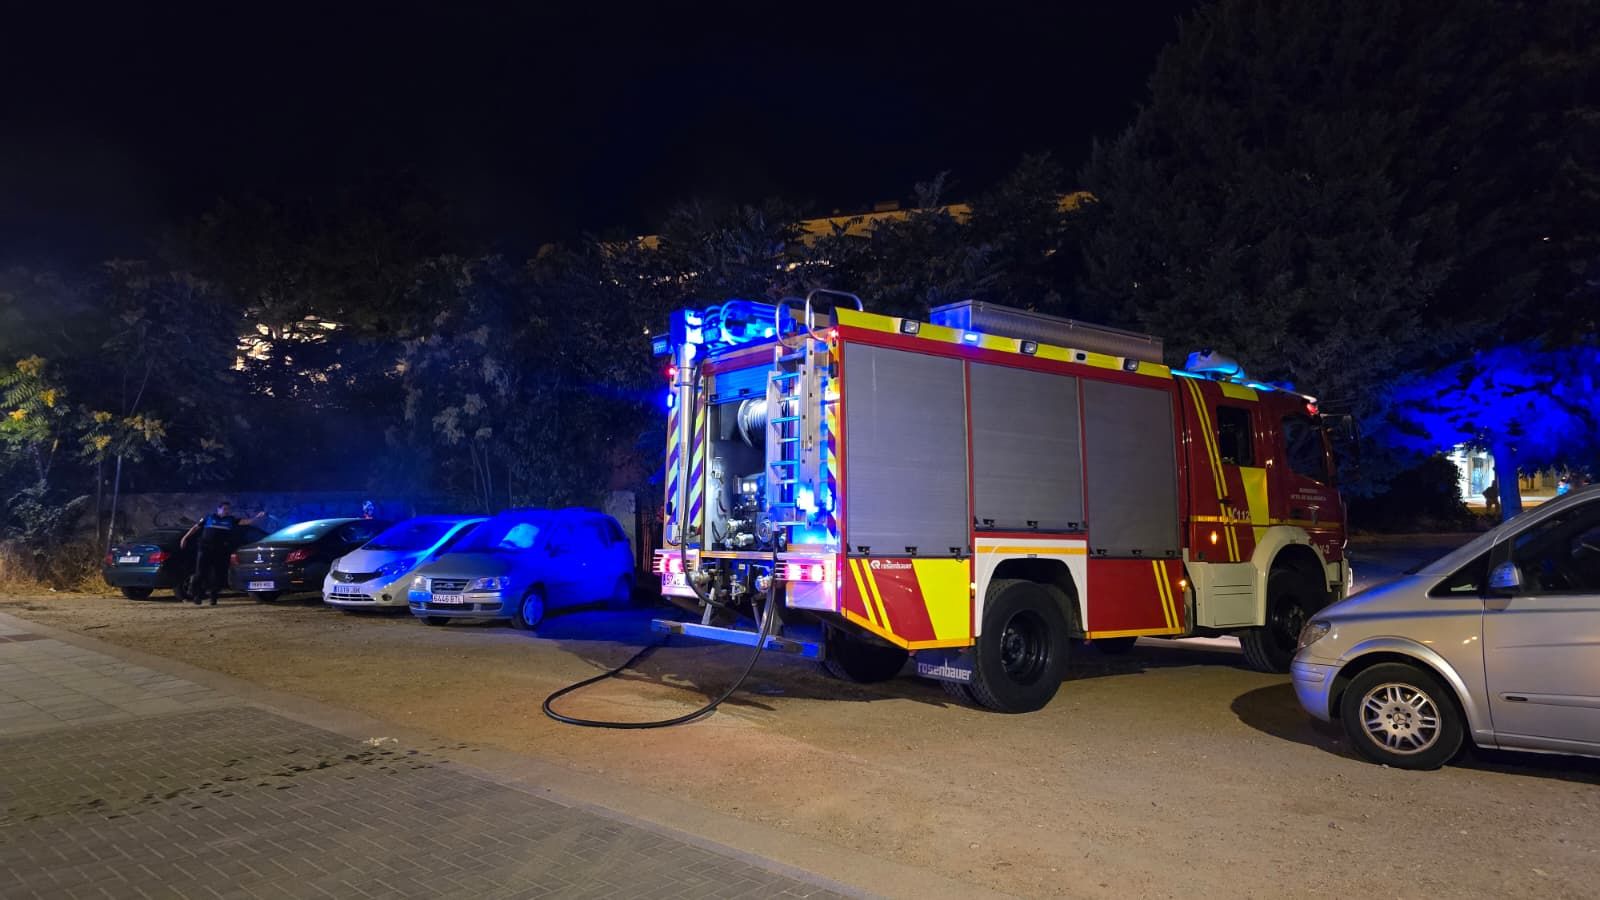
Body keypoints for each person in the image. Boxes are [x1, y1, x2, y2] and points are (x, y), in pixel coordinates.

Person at [180, 501, 266, 606]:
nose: (227, 511)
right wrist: (185, 538)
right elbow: (195, 528)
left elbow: (246, 522)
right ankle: (196, 595)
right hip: (205, 549)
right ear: (218, 509)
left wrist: (257, 517)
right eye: (225, 509)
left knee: (218, 575)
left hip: (220, 551)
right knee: (200, 572)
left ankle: (213, 597)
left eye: (228, 509)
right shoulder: (209, 517)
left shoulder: (230, 520)